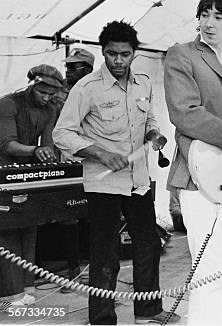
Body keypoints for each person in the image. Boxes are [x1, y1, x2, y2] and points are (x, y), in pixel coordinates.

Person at [53, 21, 179, 325]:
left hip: (138, 182)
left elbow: (149, 118)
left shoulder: (144, 83)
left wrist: (154, 135)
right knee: (104, 253)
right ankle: (102, 318)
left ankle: (148, 312)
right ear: (103, 53)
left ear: (134, 53)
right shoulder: (86, 88)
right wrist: (101, 153)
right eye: (112, 54)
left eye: (124, 54)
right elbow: (62, 134)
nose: (118, 61)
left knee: (148, 246)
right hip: (105, 186)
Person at [163, 0, 222, 325]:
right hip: (196, 175)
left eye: (219, 16)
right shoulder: (182, 54)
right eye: (204, 15)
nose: (209, 23)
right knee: (209, 268)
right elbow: (185, 113)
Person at [0, 65, 63, 307]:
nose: (46, 98)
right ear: (32, 85)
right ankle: (10, 294)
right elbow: (6, 145)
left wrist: (51, 159)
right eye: (42, 92)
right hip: (4, 171)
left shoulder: (50, 110)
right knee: (7, 231)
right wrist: (36, 151)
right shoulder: (8, 104)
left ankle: (26, 287)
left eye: (51, 94)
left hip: (25, 172)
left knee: (30, 224)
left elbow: (48, 144)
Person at [52, 46, 96, 292]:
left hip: (91, 162)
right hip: (68, 162)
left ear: (87, 69)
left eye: (74, 66)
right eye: (67, 66)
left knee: (93, 216)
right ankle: (73, 269)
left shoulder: (96, 89)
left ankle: (92, 269)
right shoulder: (60, 95)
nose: (67, 70)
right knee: (68, 217)